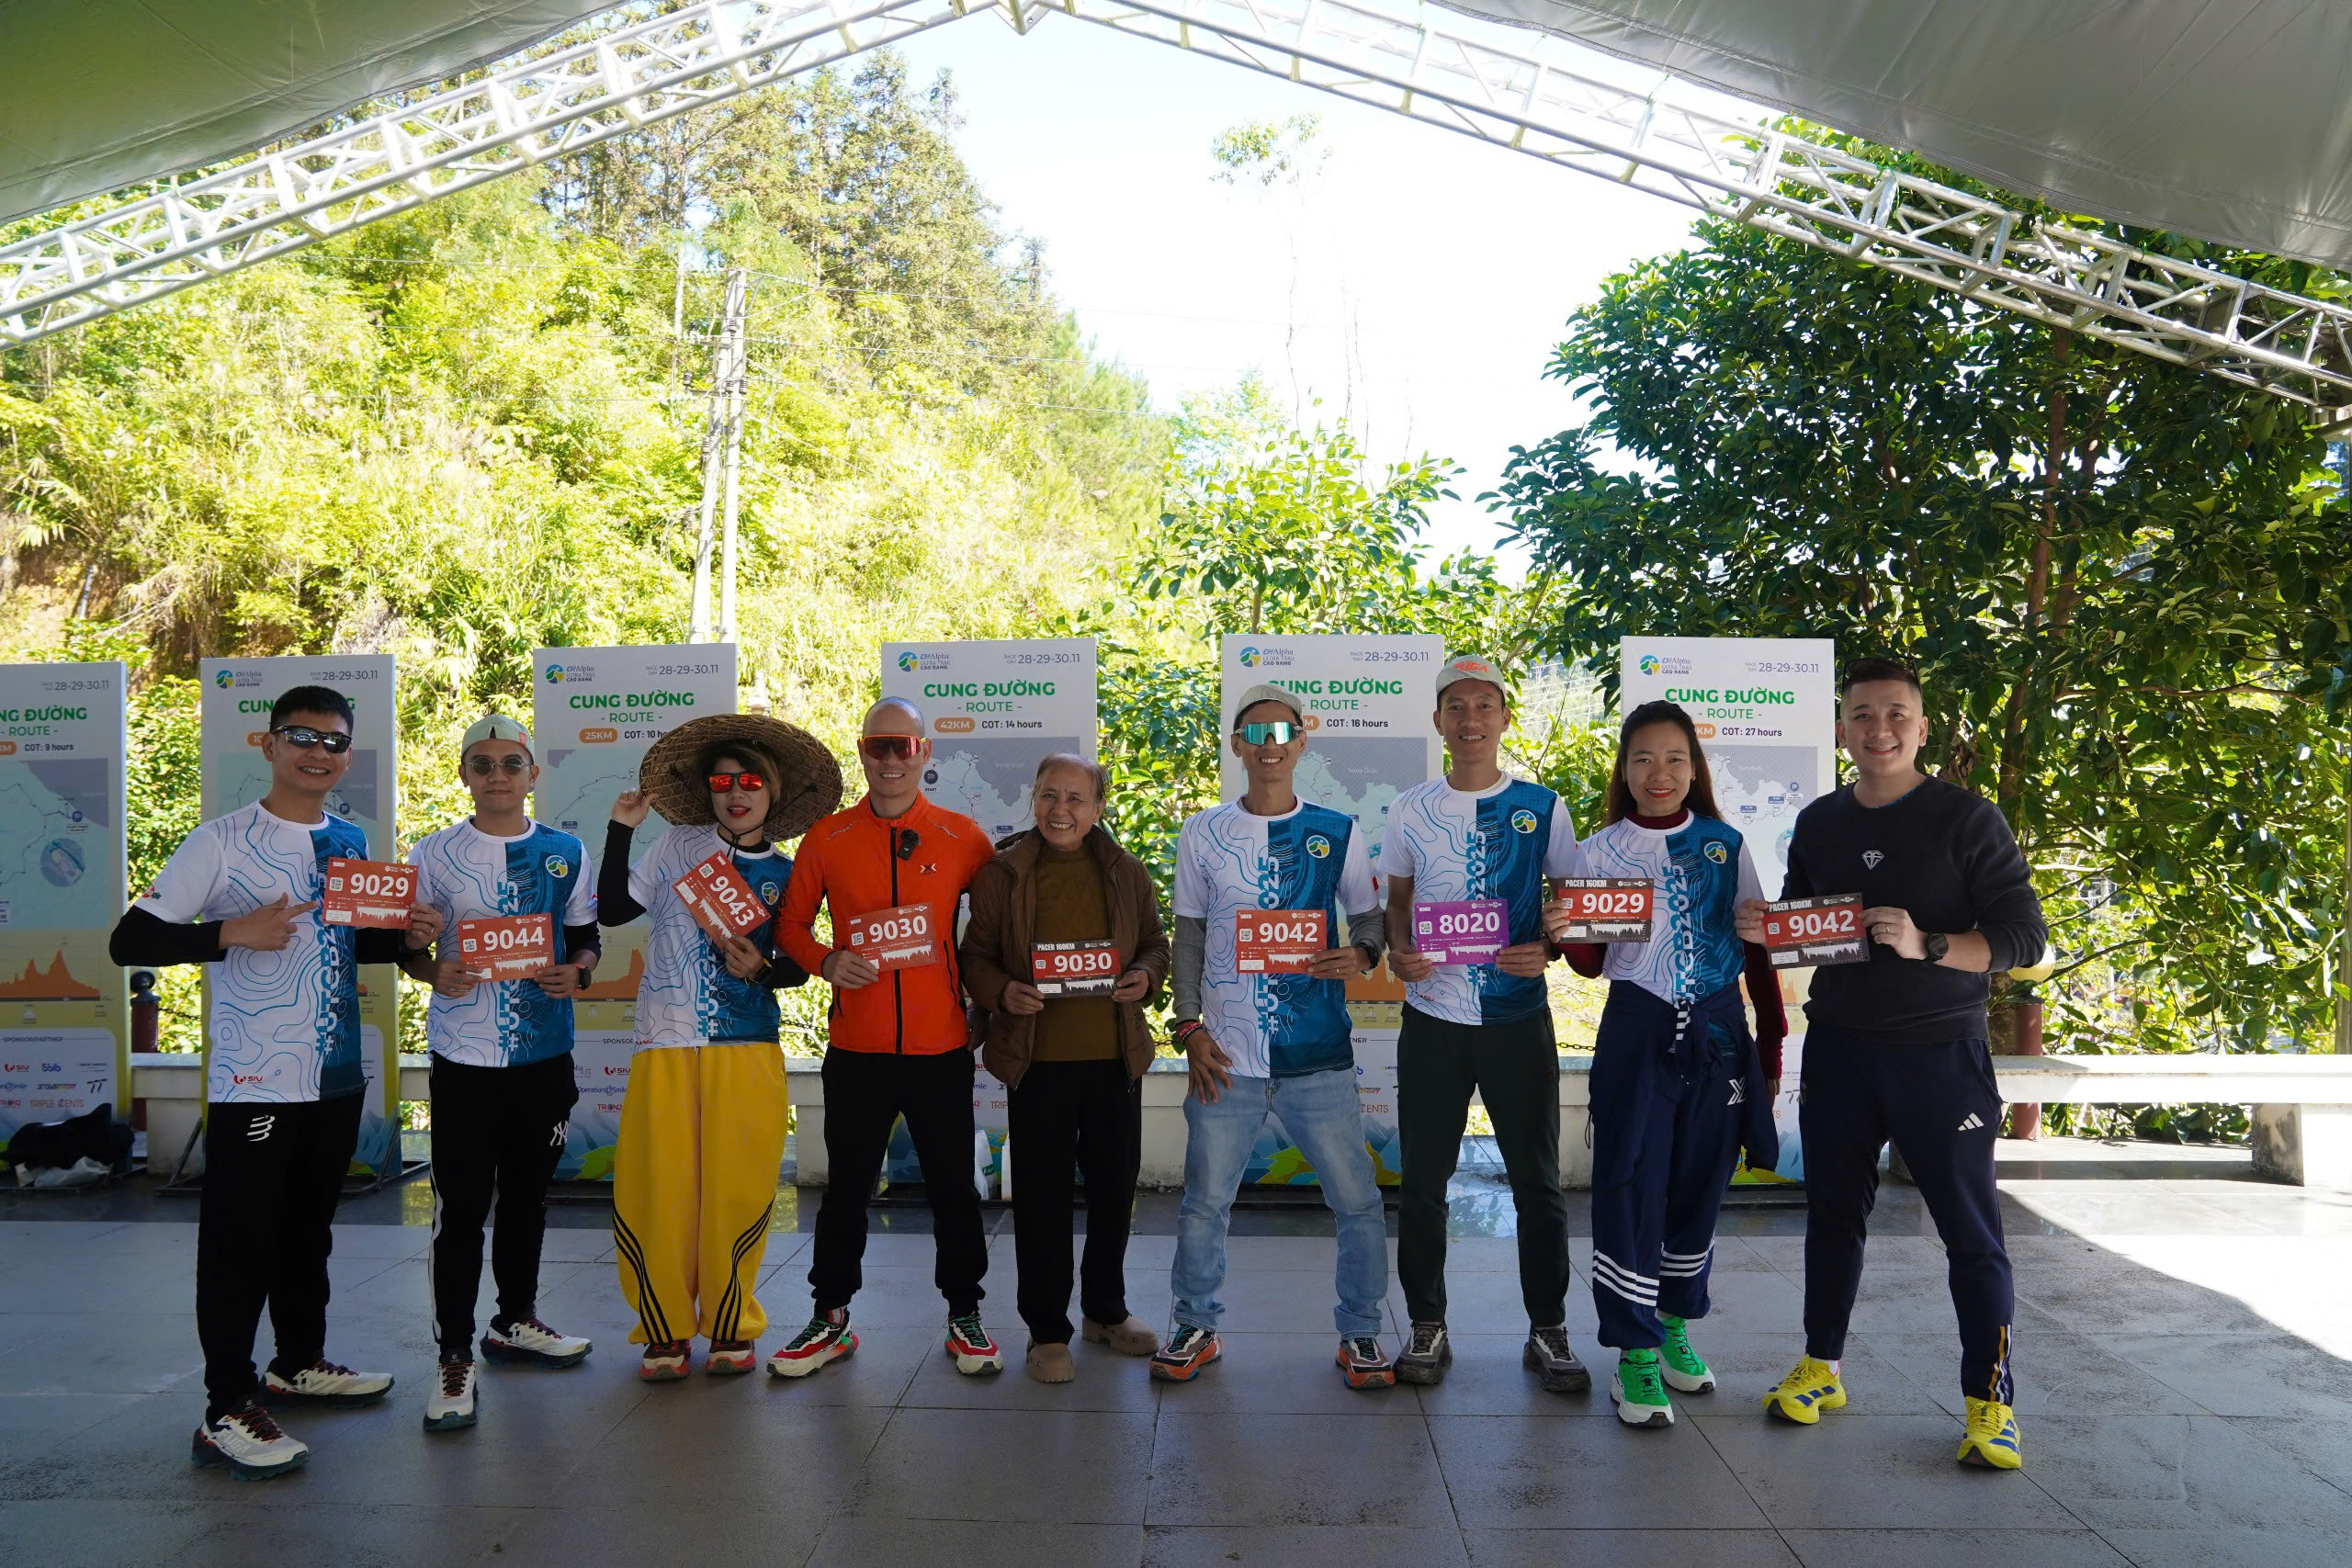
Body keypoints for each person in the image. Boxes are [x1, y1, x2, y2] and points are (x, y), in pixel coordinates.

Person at [109, 685, 441, 1480]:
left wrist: (406, 940)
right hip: (255, 1078)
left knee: (306, 1231)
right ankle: (226, 1405)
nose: (318, 752)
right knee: (239, 1243)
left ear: (347, 757)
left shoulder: (349, 838)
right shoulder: (221, 840)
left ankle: (297, 1362)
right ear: (269, 744)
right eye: (302, 736)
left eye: (334, 742)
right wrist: (229, 931)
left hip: (334, 1075)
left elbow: (347, 943)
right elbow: (130, 939)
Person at [1736, 657, 2047, 1470]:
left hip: (1941, 1056)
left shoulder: (1967, 818)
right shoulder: (1819, 822)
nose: (1880, 729)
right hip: (1840, 1048)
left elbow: (2023, 938)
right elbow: (1807, 930)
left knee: (1970, 1233)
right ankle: (1822, 1365)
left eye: (1896, 714)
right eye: (1864, 715)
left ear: (1922, 726)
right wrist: (1769, 927)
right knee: (1833, 1215)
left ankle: (1990, 1403)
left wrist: (1927, 942)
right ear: (1842, 728)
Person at [1550, 700, 1783, 1427]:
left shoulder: (1724, 843)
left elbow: (1757, 951)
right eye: (1644, 758)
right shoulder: (1597, 850)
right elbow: (1591, 964)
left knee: (1700, 1183)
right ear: (1624, 770)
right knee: (1629, 1180)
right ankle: (1635, 1350)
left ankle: (1673, 1322)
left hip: (1719, 1031)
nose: (1661, 772)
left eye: (1675, 758)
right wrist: (1564, 930)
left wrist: (1769, 1047)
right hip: (1637, 1029)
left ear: (1694, 767)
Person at [1155, 682, 1395, 1391]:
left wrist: (1363, 953)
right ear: (1236, 744)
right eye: (1255, 733)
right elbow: (1189, 937)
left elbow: (1370, 919)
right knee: (1205, 1202)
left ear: (1301, 742)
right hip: (1226, 1055)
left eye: (1282, 732)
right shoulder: (1203, 831)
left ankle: (1361, 1331)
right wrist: (1189, 1026)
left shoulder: (1337, 829)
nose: (1269, 745)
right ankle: (1195, 1324)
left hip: (1317, 1054)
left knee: (1357, 1201)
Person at [598, 712, 841, 1380]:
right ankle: (664, 1329)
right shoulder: (677, 845)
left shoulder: (790, 871)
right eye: (723, 781)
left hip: (746, 1044)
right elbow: (613, 909)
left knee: (737, 1185)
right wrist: (621, 828)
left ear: (774, 791)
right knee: (661, 1188)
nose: (736, 793)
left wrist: (760, 969)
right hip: (665, 1040)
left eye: (751, 781)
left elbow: (798, 964)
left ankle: (732, 1323)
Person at [770, 697, 1001, 1379]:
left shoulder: (963, 836)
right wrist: (825, 961)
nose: (892, 759)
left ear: (925, 752)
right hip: (858, 1051)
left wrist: (988, 1000)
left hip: (939, 1049)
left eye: (904, 745)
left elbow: (999, 926)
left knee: (953, 1189)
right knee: (845, 1189)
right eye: (880, 746)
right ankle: (829, 1316)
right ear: (863, 751)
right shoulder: (828, 837)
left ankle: (965, 1312)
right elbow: (790, 927)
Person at [1383, 656, 1590, 1395]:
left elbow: (1571, 903)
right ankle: (1426, 1323)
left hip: (1516, 1017)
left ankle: (1549, 1327)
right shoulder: (1410, 809)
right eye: (1456, 706)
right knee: (1422, 1183)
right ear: (1438, 721)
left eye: (1484, 705)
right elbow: (1398, 902)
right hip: (1433, 1018)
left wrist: (1552, 948)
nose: (1470, 719)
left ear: (1504, 717)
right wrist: (1401, 951)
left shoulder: (1542, 806)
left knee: (1538, 1182)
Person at [400, 715, 601, 1433]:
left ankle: (514, 1320)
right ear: (463, 773)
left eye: (510, 762)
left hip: (543, 1058)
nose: (497, 775)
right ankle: (454, 1355)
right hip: (464, 1060)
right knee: (460, 1211)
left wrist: (578, 971)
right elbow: (405, 946)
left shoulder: (565, 851)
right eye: (481, 763)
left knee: (527, 1198)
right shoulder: (433, 852)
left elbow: (585, 937)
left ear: (532, 773)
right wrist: (430, 967)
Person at [959, 753, 1170, 1382]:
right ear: (1034, 798)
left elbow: (1155, 945)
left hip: (1114, 1060)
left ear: (1099, 807)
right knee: (1043, 1201)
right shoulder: (1002, 874)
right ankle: (1047, 1330)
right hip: (1038, 1064)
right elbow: (974, 957)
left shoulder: (1127, 872)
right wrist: (1002, 992)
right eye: (1050, 794)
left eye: (1076, 798)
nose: (1060, 809)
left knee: (1114, 1194)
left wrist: (1145, 976)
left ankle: (1106, 1311)